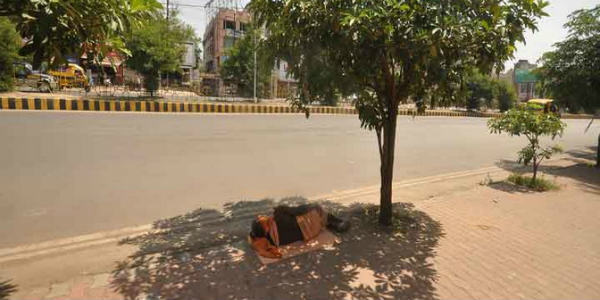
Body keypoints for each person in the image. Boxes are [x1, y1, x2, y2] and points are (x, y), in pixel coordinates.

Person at [249, 204, 350, 258]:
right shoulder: (279, 219)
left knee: (301, 213)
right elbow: (293, 213)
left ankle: (329, 222)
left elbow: (261, 247)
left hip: (310, 231)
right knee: (313, 208)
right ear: (266, 229)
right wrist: (279, 209)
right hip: (311, 227)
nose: (265, 217)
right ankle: (333, 221)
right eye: (263, 219)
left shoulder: (271, 240)